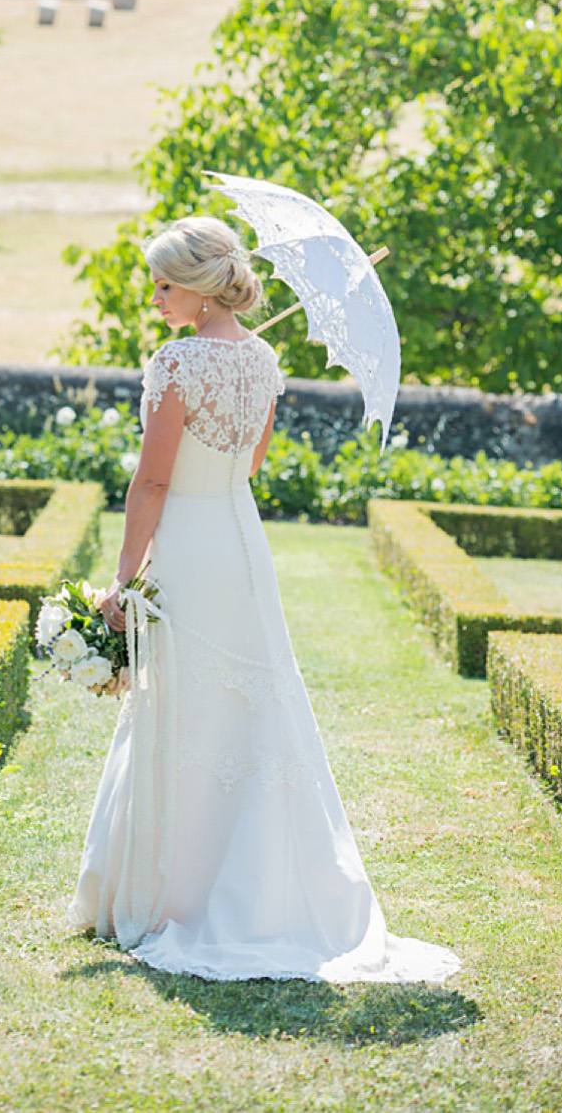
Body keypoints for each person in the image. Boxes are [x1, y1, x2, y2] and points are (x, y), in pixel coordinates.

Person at [69, 215, 460, 984]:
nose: (155, 296)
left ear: (204, 287)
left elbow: (151, 481)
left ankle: (174, 892)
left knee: (184, 702)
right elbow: (251, 460)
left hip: (189, 544)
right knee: (248, 703)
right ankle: (256, 885)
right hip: (240, 542)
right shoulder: (264, 356)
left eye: (165, 283)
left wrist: (123, 576)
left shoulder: (175, 363)